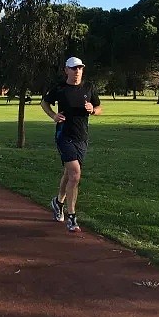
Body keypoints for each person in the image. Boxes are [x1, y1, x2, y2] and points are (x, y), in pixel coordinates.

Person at [41, 56, 102, 233]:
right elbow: (44, 102)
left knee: (69, 173)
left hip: (82, 137)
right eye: (74, 68)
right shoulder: (60, 88)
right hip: (64, 135)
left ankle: (58, 202)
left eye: (80, 68)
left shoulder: (88, 87)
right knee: (75, 174)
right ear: (66, 70)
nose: (77, 72)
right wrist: (53, 115)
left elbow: (99, 108)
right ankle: (72, 217)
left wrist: (93, 110)